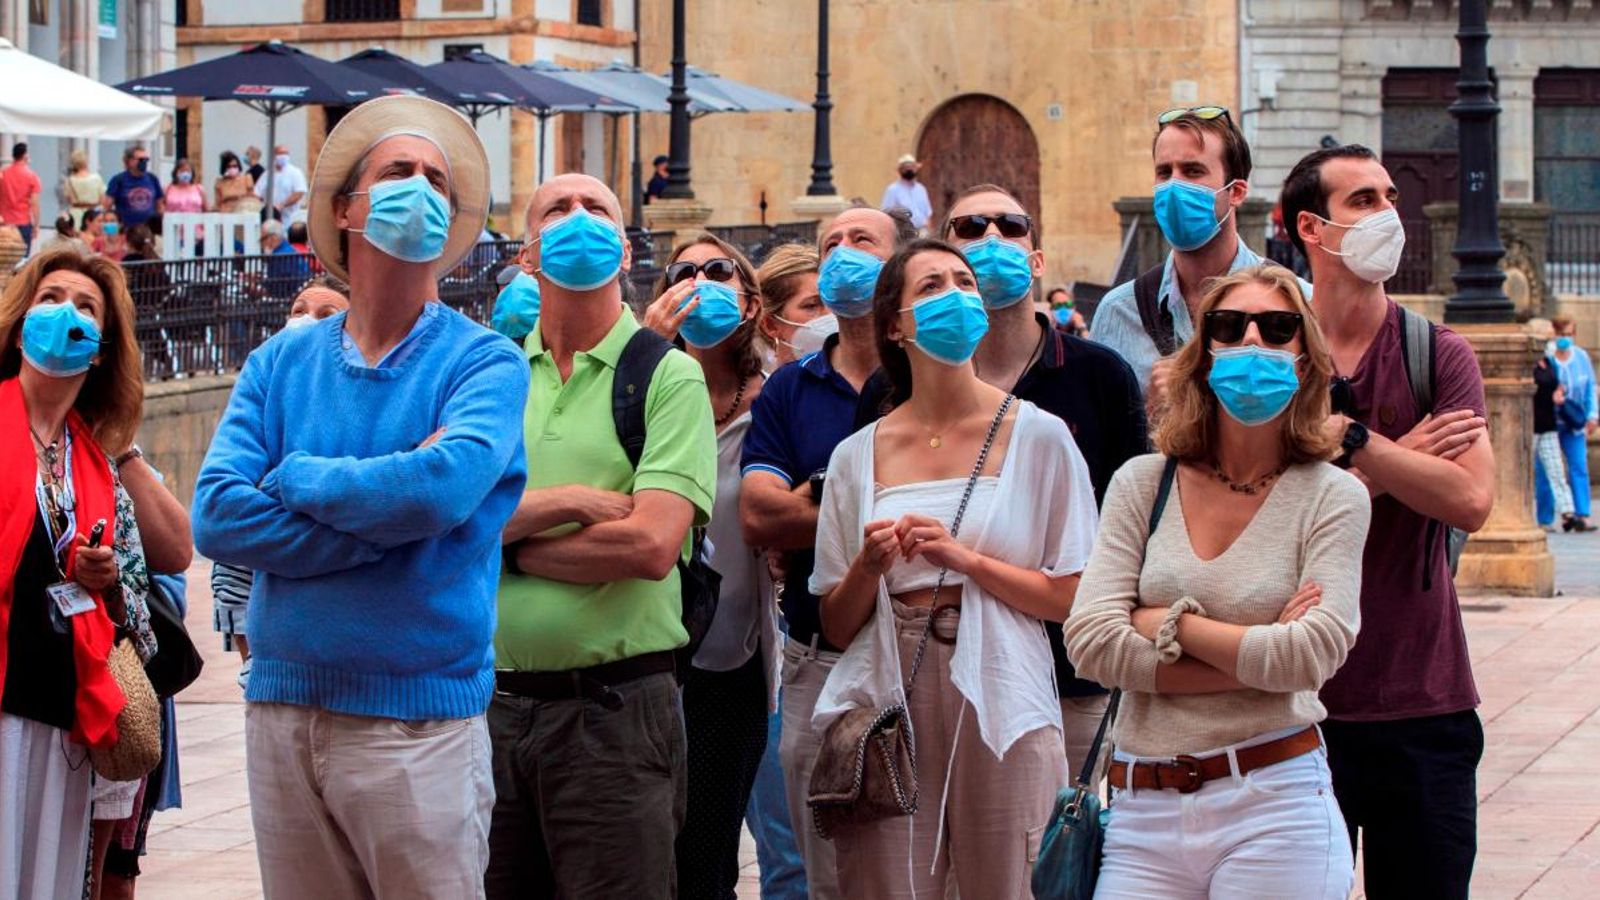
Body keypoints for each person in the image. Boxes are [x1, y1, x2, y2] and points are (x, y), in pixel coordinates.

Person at [192, 95, 527, 900]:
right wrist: (389, 525)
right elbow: (217, 513)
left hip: (417, 727)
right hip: (281, 708)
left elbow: (440, 487)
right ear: (345, 208)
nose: (422, 189)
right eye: (399, 172)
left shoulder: (484, 365)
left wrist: (303, 478)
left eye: (437, 180)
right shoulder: (282, 363)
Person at [1066, 264, 1370, 898]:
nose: (1252, 342)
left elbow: (1313, 653)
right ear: (1202, 356)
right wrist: (1258, 658)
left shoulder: (1333, 496)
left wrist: (1163, 624)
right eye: (1230, 327)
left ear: (1306, 359)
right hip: (1141, 811)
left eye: (1277, 327)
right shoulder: (1142, 483)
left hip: (1275, 802)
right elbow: (1091, 642)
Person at [811, 238, 1095, 896]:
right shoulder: (857, 454)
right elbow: (834, 619)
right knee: (884, 879)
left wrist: (962, 559)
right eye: (932, 286)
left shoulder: (1041, 434)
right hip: (889, 689)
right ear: (895, 323)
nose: (957, 297)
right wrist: (869, 567)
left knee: (1010, 876)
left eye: (964, 282)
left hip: (1003, 681)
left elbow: (1075, 595)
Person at [487, 173, 715, 899]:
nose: (577, 219)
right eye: (557, 209)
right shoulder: (490, 377)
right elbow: (446, 521)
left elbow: (650, 546)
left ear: (624, 250)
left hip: (612, 718)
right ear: (527, 256)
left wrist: (509, 546)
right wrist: (577, 503)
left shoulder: (668, 377)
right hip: (489, 712)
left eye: (596, 210)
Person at [1281, 144, 1495, 899]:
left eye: (1390, 197)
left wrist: (1361, 445)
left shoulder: (1437, 353)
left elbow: (1470, 500)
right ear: (1311, 227)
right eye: (1363, 202)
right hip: (1296, 711)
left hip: (1426, 705)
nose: (1388, 216)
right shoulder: (1267, 354)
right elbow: (1259, 520)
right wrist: (1401, 465)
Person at [939, 183, 1146, 779]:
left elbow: (1129, 518)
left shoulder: (1099, 375)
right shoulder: (908, 382)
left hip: (1071, 673)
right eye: (971, 229)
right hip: (946, 670)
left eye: (1010, 226)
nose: (992, 239)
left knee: (1058, 860)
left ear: (1037, 258)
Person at [739, 206, 898, 899]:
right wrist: (867, 502)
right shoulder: (789, 386)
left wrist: (816, 498)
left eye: (861, 240)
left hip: (925, 646)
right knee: (823, 870)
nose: (841, 253)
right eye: (830, 242)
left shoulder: (929, 377)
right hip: (818, 655)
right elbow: (757, 514)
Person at [0, 246, 158, 900]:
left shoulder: (94, 460)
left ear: (99, 348)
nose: (66, 314)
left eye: (85, 307)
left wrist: (105, 580)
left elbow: (136, 614)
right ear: (18, 323)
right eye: (51, 299)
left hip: (62, 715)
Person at [641, 234, 776, 899]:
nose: (699, 281)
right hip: (649, 655)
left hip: (736, 659)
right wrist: (642, 350)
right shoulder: (643, 390)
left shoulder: (775, 402)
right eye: (683, 271)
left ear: (749, 302)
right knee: (645, 844)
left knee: (708, 849)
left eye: (716, 270)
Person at [1093, 107, 1307, 414]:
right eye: (1164, 172)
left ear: (1236, 192)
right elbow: (1104, 443)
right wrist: (1152, 413)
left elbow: (1315, 420)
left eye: (1193, 171)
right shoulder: (1118, 312)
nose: (1174, 187)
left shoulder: (1296, 303)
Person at [211, 275, 352, 690]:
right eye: (299, 311)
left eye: (327, 315)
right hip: (257, 602)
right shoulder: (260, 391)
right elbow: (223, 514)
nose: (307, 321)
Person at [1546, 313, 1597, 531]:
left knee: (1578, 466)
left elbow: (1590, 389)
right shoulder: (1547, 358)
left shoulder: (1582, 358)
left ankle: (1582, 514)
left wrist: (1593, 415)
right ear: (1555, 333)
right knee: (1547, 470)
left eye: (1569, 334)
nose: (1566, 338)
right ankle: (1545, 519)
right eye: (1561, 334)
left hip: (1574, 422)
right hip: (1550, 421)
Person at [1531, 320, 1579, 532]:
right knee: (1525, 472)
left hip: (1548, 424)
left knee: (1556, 470)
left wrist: (1557, 394)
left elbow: (1554, 385)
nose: (1553, 340)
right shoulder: (1529, 363)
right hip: (1530, 426)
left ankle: (1568, 513)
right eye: (1549, 336)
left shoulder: (1548, 362)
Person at [756, 242, 829, 367]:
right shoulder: (766, 386)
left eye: (835, 303)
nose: (830, 315)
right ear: (771, 325)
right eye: (811, 305)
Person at [104, 146, 163, 231]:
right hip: (126, 229)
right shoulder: (118, 180)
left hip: (149, 230)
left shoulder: (152, 179)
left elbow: (160, 205)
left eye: (146, 160)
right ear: (130, 161)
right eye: (141, 160)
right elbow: (107, 206)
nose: (144, 163)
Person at [0, 143, 42, 251]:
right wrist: (36, 225)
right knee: (23, 259)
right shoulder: (32, 177)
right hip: (23, 221)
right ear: (25, 156)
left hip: (5, 222)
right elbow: (34, 203)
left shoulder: (3, 174)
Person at [255, 220, 309, 300]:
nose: (262, 243)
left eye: (263, 239)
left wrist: (255, 288)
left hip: (285, 300)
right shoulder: (291, 250)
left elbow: (275, 289)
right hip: (300, 296)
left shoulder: (278, 257)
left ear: (273, 237)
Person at [880, 154, 933, 233]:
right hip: (903, 233)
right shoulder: (892, 190)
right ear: (900, 170)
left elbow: (928, 214)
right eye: (906, 167)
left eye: (911, 167)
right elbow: (886, 213)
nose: (909, 170)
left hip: (923, 232)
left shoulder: (921, 189)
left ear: (916, 169)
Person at [254, 145, 307, 222]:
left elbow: (299, 192)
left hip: (290, 218)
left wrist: (282, 205)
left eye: (285, 153)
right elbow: (257, 193)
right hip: (271, 218)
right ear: (274, 156)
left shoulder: (295, 172)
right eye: (280, 153)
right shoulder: (267, 174)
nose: (283, 156)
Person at [64, 150, 107, 231]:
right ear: (86, 162)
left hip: (75, 214)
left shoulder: (69, 180)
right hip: (93, 214)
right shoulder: (96, 178)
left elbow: (68, 199)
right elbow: (103, 199)